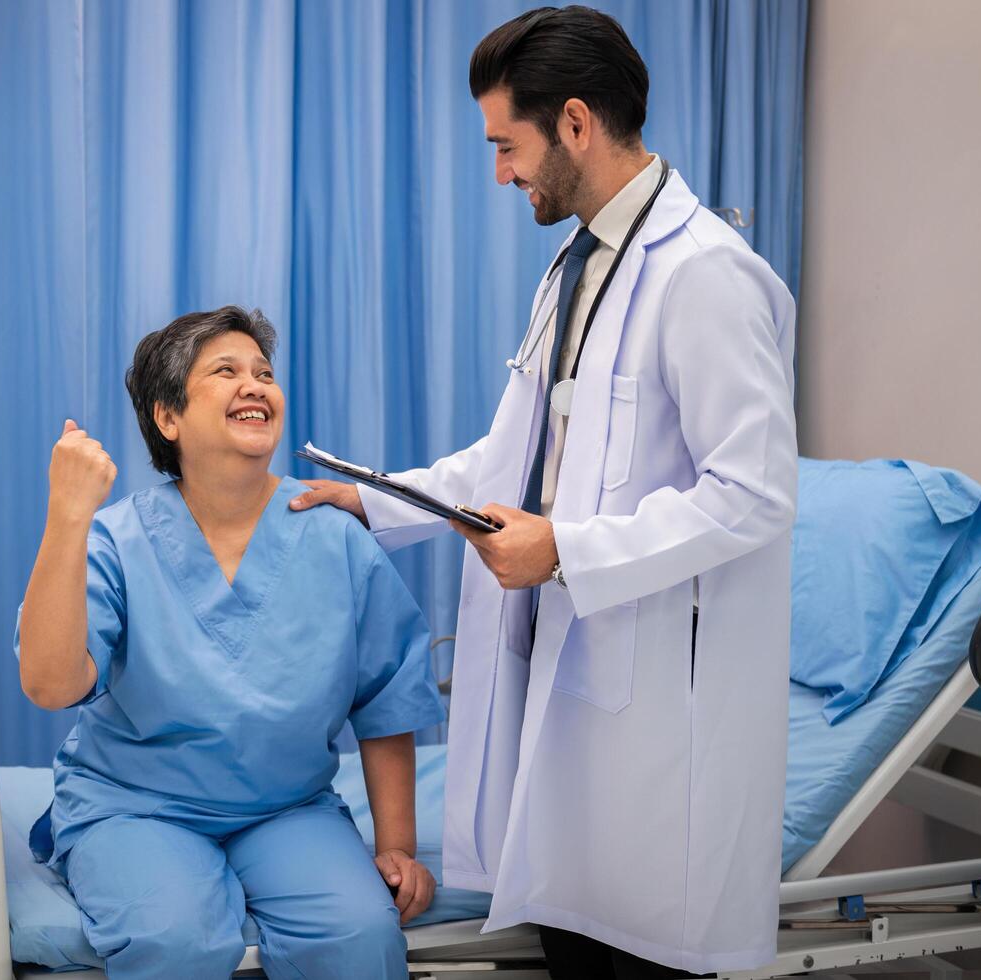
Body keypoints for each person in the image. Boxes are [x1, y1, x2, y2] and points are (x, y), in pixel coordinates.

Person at [291, 7, 798, 978]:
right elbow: (517, 456)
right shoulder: (576, 266)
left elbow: (756, 490)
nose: (500, 173)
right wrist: (375, 497)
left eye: (505, 145)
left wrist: (567, 549)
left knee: (638, 949)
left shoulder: (703, 276)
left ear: (573, 123)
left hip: (656, 710)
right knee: (575, 933)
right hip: (571, 675)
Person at [16, 306, 445, 979]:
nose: (255, 385)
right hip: (136, 808)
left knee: (359, 936)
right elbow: (49, 684)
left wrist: (396, 846)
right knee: (175, 941)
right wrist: (68, 517)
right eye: (226, 371)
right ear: (168, 417)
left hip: (286, 809)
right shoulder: (114, 541)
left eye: (264, 373)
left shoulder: (332, 536)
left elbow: (387, 695)